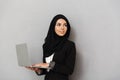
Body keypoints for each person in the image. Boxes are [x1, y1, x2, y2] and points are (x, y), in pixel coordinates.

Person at [26, 14, 76, 80]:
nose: (62, 28)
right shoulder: (46, 45)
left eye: (65, 25)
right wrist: (38, 70)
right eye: (59, 25)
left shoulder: (70, 45)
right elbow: (46, 70)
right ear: (53, 27)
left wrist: (49, 65)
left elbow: (69, 70)